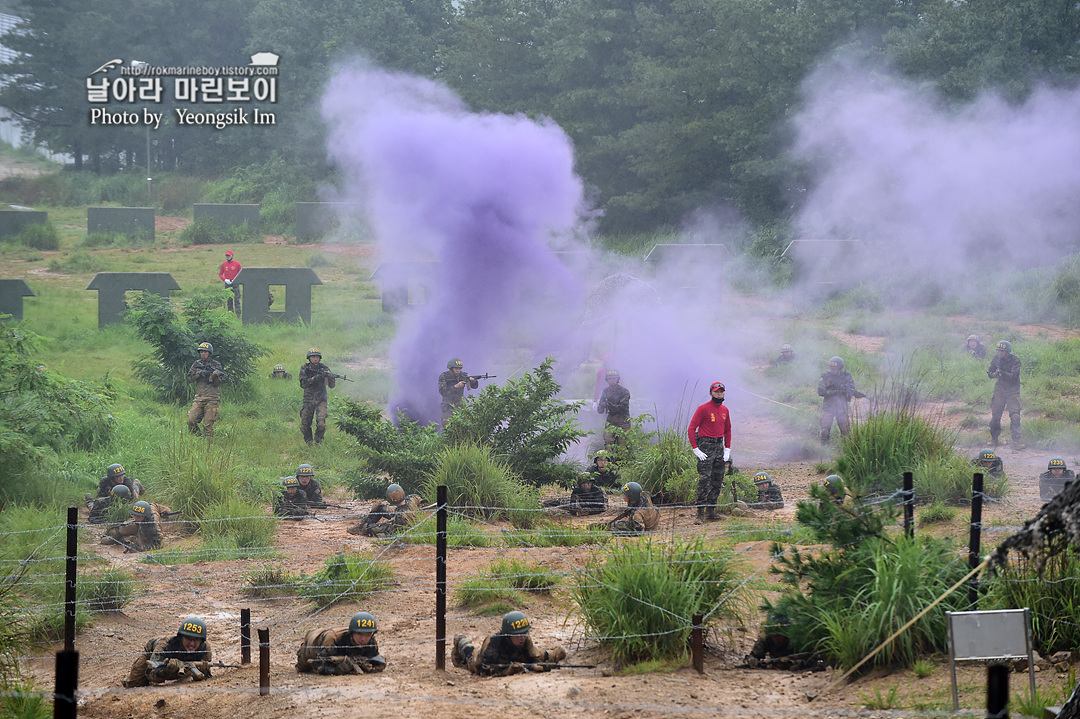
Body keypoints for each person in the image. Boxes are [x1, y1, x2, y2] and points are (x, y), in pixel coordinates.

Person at [452, 611, 567, 676]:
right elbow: (484, 671)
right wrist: (508, 670)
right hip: (483, 661)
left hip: (515, 655)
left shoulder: (524, 639)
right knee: (469, 653)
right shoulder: (493, 642)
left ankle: (553, 654)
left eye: (525, 633)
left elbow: (533, 657)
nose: (523, 637)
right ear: (507, 635)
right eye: (518, 635)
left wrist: (537, 665)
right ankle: (459, 640)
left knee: (543, 656)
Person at [687, 381, 732, 524]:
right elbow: (691, 428)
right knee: (704, 479)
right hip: (706, 446)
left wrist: (727, 449)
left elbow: (728, 429)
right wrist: (695, 448)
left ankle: (711, 511)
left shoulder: (725, 410)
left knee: (718, 479)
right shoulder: (703, 409)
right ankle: (700, 513)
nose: (719, 394)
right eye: (717, 391)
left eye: (721, 391)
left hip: (719, 445)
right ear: (711, 392)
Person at [123, 617, 213, 688]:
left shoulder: (205, 648)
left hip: (184, 666)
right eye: (188, 639)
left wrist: (201, 672)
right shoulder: (165, 645)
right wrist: (166, 671)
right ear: (181, 637)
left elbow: (206, 675)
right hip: (152, 653)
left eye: (196, 640)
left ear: (202, 641)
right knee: (133, 683)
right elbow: (151, 674)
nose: (192, 644)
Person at [296, 611, 386, 675]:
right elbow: (320, 667)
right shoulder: (333, 639)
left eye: (368, 635)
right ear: (352, 632)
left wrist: (367, 666)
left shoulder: (371, 642)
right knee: (302, 670)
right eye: (359, 634)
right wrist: (339, 669)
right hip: (313, 644)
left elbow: (379, 662)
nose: (363, 639)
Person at [817, 356, 866, 445]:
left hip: (842, 407)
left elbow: (851, 388)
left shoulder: (846, 375)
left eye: (835, 369)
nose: (833, 370)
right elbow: (820, 391)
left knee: (845, 430)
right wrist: (835, 392)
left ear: (840, 368)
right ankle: (824, 451)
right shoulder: (825, 376)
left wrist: (847, 391)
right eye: (831, 368)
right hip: (828, 406)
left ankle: (846, 449)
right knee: (825, 430)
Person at [348, 484, 422, 537]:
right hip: (399, 511)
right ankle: (362, 526)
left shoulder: (400, 517)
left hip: (399, 523)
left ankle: (362, 527)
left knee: (372, 528)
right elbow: (417, 498)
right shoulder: (411, 499)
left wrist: (384, 535)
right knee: (379, 507)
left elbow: (396, 532)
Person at [987, 340, 1022, 450]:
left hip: (1012, 390)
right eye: (999, 351)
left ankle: (1016, 442)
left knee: (1015, 416)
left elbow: (1014, 376)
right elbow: (990, 373)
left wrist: (1002, 373)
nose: (1000, 353)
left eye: (1002, 351)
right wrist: (995, 374)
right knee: (995, 416)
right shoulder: (996, 359)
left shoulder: (1015, 360)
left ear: (1007, 351)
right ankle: (994, 439)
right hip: (999, 390)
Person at [187, 342, 226, 437]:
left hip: (212, 398)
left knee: (208, 424)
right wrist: (200, 373)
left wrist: (214, 376)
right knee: (191, 421)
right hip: (199, 397)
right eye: (201, 352)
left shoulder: (216, 365)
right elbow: (189, 379)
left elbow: (218, 384)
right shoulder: (197, 364)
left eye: (205, 352)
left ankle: (209, 445)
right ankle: (197, 438)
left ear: (209, 353)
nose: (203, 354)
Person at [299, 347, 336, 445]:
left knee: (321, 424)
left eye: (317, 357)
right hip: (308, 399)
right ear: (309, 358)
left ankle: (318, 442)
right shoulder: (305, 368)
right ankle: (309, 444)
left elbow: (332, 386)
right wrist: (315, 378)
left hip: (321, 399)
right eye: (313, 357)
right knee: (304, 425)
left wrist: (331, 378)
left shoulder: (324, 368)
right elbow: (303, 384)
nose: (315, 359)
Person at [596, 369, 631, 451]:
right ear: (607, 380)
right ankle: (609, 463)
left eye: (614, 378)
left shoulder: (624, 392)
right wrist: (601, 406)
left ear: (618, 379)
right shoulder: (605, 391)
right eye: (610, 379)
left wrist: (608, 405)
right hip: (611, 423)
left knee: (623, 447)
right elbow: (600, 410)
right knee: (608, 444)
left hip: (623, 423)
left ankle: (623, 463)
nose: (612, 381)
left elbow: (623, 408)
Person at [542, 472, 607, 516]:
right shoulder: (577, 491)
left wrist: (588, 511)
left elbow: (601, 507)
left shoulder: (597, 491)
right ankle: (542, 503)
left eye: (588, 483)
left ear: (592, 483)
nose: (585, 485)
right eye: (583, 483)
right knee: (560, 502)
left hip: (587, 508)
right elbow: (572, 507)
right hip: (580, 506)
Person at [438, 358, 479, 425]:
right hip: (448, 406)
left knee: (464, 425)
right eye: (456, 368)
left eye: (459, 368)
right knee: (447, 424)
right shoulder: (444, 376)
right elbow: (443, 391)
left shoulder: (464, 375)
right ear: (451, 369)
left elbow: (475, 386)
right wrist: (455, 387)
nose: (458, 370)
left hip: (459, 405)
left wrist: (473, 381)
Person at [219, 250, 241, 314]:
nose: (228, 257)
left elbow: (240, 273)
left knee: (237, 299)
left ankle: (238, 314)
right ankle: (230, 314)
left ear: (232, 256)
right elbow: (220, 274)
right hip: (228, 283)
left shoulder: (237, 264)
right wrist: (225, 279)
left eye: (229, 255)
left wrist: (236, 280)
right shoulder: (224, 264)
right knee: (229, 300)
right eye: (227, 256)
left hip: (235, 283)